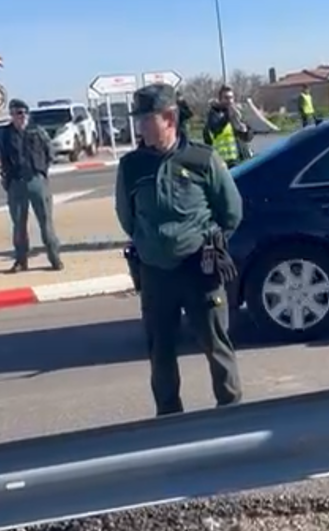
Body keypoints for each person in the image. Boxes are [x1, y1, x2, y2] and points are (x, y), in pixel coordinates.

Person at [115, 83, 244, 417]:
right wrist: (152, 243)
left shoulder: (202, 159)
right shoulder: (131, 166)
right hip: (156, 273)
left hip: (199, 268)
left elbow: (231, 212)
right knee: (160, 352)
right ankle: (170, 420)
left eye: (146, 119)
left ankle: (232, 415)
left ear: (169, 117)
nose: (139, 126)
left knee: (216, 346)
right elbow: (127, 219)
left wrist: (213, 240)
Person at [0, 98, 63, 273]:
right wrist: (6, 177)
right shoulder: (6, 134)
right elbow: (3, 158)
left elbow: (50, 152)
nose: (22, 116)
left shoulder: (37, 131)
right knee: (19, 225)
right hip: (16, 183)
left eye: (24, 112)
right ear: (11, 115)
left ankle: (54, 258)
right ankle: (21, 261)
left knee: (46, 222)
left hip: (36, 181)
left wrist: (42, 172)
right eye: (18, 113)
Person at [202, 85, 254, 168]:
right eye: (226, 98)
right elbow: (216, 128)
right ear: (220, 99)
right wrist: (228, 115)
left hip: (242, 160)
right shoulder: (214, 115)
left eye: (231, 98)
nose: (229, 101)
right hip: (224, 164)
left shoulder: (237, 114)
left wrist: (245, 131)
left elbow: (248, 138)